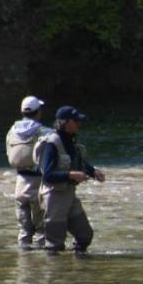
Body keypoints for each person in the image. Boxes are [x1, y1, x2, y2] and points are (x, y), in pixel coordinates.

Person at [34, 105, 105, 254]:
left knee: (85, 236)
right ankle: (56, 274)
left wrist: (93, 172)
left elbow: (78, 162)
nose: (79, 123)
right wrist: (71, 175)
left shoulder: (70, 141)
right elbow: (47, 175)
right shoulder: (51, 144)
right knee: (55, 245)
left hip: (69, 195)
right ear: (65, 123)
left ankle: (77, 271)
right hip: (54, 197)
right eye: (76, 120)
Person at [4, 95, 53, 249]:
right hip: (38, 183)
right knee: (41, 230)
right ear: (38, 112)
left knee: (24, 231)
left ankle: (24, 265)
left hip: (20, 183)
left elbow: (8, 153)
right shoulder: (44, 131)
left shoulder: (11, 131)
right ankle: (42, 265)